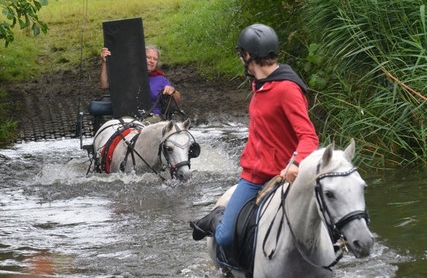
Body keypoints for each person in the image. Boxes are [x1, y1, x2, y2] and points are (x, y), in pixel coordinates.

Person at [190, 23, 319, 262]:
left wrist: (296, 162)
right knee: (226, 239)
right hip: (253, 177)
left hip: (284, 177)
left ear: (248, 56)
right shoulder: (260, 86)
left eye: (242, 55)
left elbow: (309, 136)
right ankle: (216, 219)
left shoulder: (287, 89)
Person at [99, 44, 182, 117]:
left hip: (152, 118)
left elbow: (177, 99)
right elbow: (104, 85)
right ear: (140, 58)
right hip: (127, 118)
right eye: (148, 57)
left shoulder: (161, 79)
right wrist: (104, 62)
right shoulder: (128, 75)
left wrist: (173, 91)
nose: (152, 61)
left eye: (155, 59)